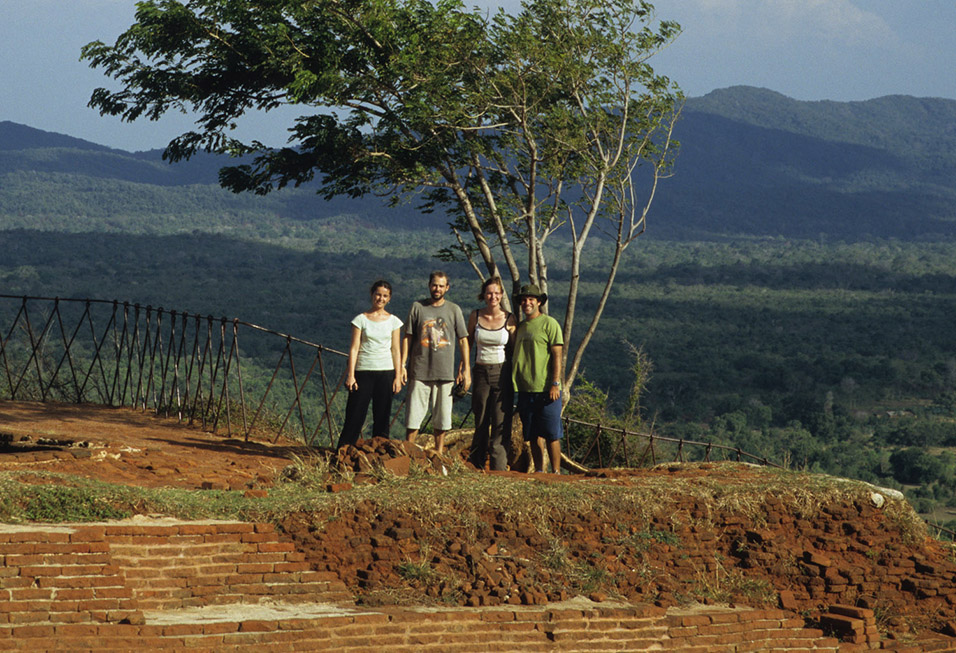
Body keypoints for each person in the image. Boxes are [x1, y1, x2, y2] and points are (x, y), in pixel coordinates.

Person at [402, 270, 471, 455]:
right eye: (434, 285)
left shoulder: (454, 310)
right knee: (413, 416)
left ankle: (439, 453)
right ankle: (410, 452)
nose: (437, 289)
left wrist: (466, 370)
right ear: (429, 285)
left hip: (445, 372)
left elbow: (463, 340)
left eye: (441, 286)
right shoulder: (418, 307)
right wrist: (402, 365)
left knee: (442, 418)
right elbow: (408, 337)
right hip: (419, 369)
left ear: (447, 288)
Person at [336, 280, 403, 449]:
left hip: (386, 372)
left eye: (385, 296)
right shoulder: (360, 320)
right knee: (354, 415)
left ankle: (379, 455)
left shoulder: (394, 321)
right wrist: (350, 375)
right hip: (363, 371)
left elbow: (396, 349)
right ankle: (343, 452)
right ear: (372, 295)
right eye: (378, 294)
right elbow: (354, 348)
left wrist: (398, 375)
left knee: (382, 416)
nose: (381, 298)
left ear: (389, 299)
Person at [512, 283, 564, 474]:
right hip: (526, 389)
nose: (527, 303)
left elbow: (557, 354)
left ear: (539, 302)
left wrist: (555, 383)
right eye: (524, 300)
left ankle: (556, 472)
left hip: (547, 388)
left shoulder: (550, 323)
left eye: (531, 299)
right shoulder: (522, 326)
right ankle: (540, 471)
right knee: (533, 434)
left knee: (552, 433)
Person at [466, 277, 517, 471]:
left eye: (496, 293)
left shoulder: (509, 319)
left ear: (502, 295)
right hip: (480, 371)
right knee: (480, 419)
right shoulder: (475, 316)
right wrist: (463, 369)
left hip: (502, 373)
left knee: (500, 422)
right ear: (483, 295)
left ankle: (499, 468)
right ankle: (476, 464)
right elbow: (468, 344)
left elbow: (514, 350)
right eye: (489, 293)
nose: (493, 296)